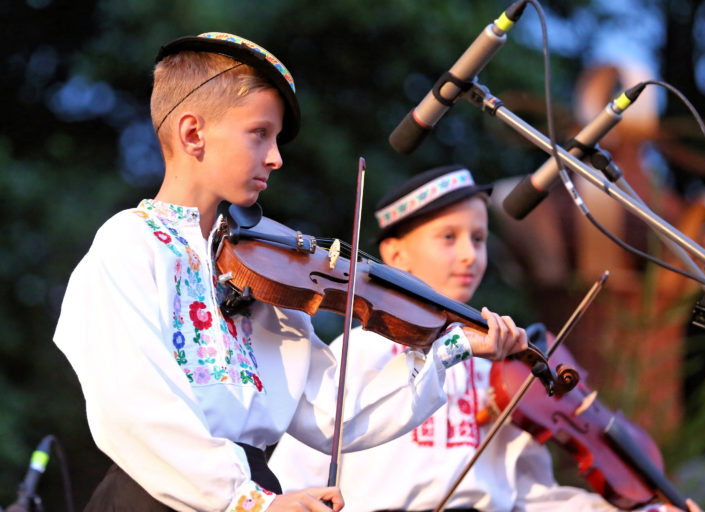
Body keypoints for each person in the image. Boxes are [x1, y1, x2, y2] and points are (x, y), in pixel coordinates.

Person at [52, 33, 527, 512]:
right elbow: (133, 407)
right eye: (260, 134)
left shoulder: (259, 272)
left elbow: (333, 414)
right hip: (157, 498)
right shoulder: (130, 242)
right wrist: (246, 501)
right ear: (193, 133)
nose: (276, 157)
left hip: (253, 486)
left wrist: (454, 345)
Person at [268, 165, 702, 512]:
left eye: (478, 238)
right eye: (448, 237)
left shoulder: (502, 370)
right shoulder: (358, 350)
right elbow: (294, 478)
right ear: (395, 255)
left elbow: (533, 496)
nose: (469, 255)